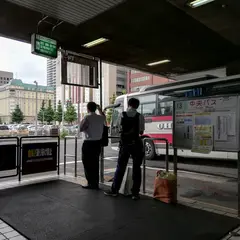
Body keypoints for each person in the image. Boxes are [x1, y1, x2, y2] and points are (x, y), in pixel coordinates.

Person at [104, 98, 145, 200]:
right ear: (137, 106)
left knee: (120, 167)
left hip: (125, 144)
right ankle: (135, 193)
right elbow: (141, 132)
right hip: (136, 144)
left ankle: (114, 190)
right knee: (136, 168)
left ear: (129, 104)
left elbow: (118, 128)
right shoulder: (140, 116)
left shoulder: (122, 114)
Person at [80, 102, 105, 189]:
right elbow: (104, 116)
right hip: (98, 143)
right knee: (95, 163)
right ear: (95, 108)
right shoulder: (100, 118)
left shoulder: (87, 117)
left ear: (88, 108)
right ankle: (95, 183)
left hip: (88, 143)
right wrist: (99, 109)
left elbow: (81, 128)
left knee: (87, 162)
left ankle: (90, 183)